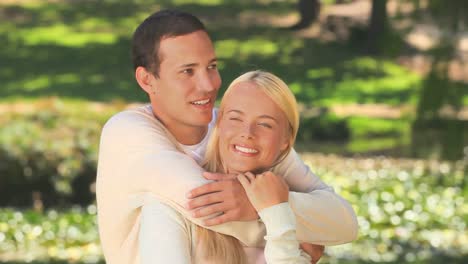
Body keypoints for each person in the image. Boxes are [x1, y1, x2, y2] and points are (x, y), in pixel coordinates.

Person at [96, 9, 358, 264]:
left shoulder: (236, 129)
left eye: (211, 66)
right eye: (188, 71)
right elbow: (210, 210)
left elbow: (345, 223)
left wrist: (267, 208)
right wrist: (283, 221)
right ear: (147, 80)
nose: (209, 85)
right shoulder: (128, 133)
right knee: (162, 208)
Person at [139, 70, 323, 263]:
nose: (247, 133)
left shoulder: (293, 216)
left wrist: (278, 215)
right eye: (236, 118)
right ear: (219, 123)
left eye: (265, 124)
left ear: (286, 139)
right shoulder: (171, 203)